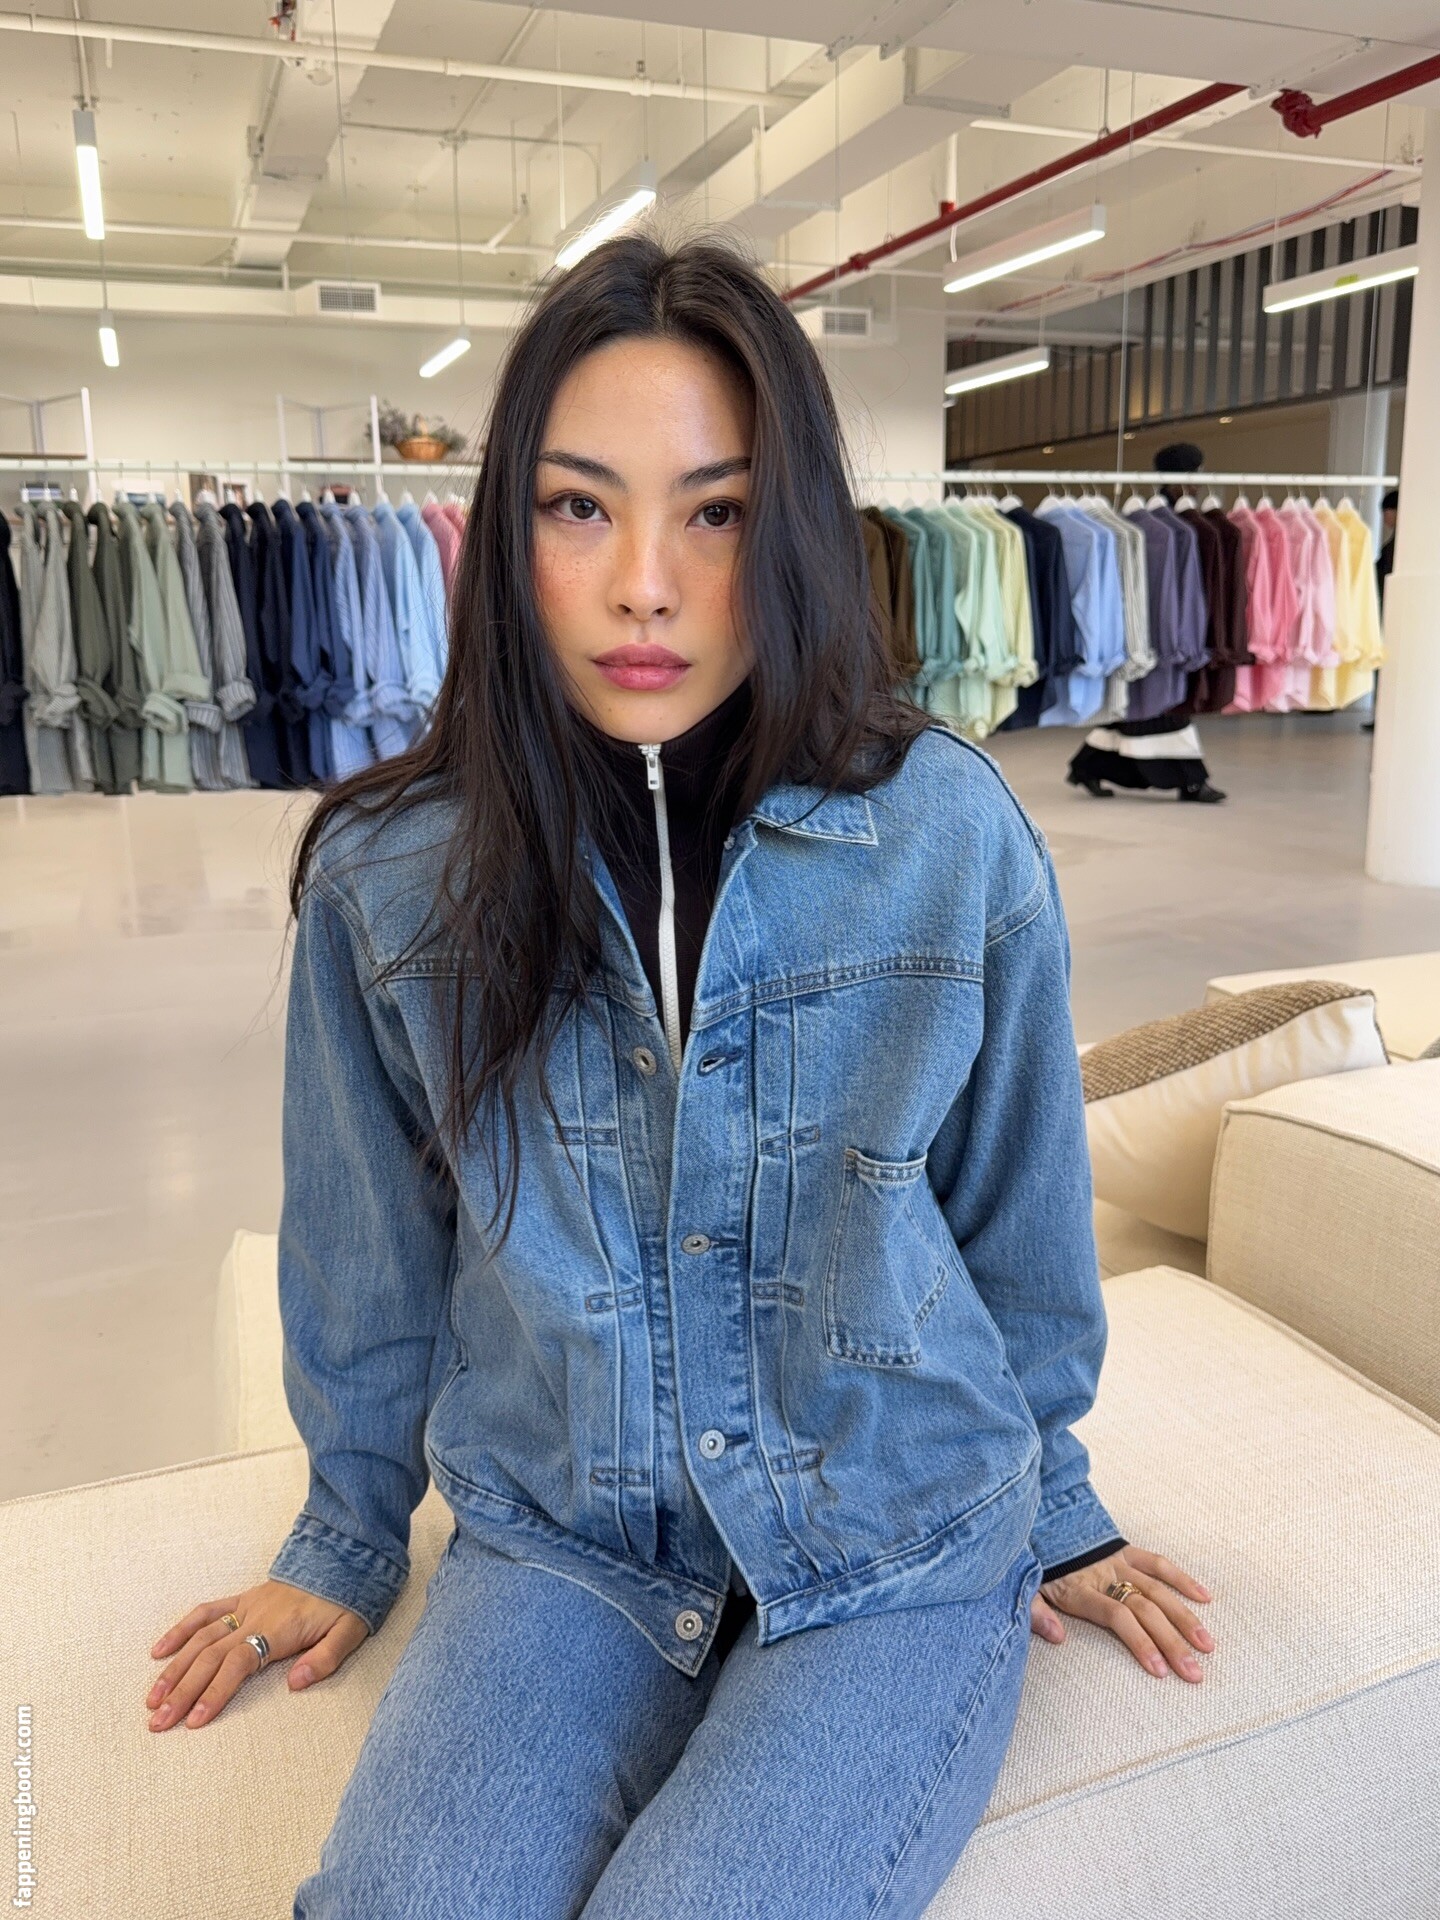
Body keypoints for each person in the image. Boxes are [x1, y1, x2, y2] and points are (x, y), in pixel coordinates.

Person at [141, 235, 1216, 1920]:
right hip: (564, 1535)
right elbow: (367, 1244)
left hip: (896, 1537)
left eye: (716, 513)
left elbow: (1019, 1211)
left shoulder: (944, 834)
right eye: (580, 507)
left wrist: (1060, 1498)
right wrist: (347, 1531)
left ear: (790, 533)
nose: (645, 584)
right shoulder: (387, 874)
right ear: (509, 531)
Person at [1066, 440, 1228, 804]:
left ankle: (1087, 767)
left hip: (1153, 625)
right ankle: (1192, 781)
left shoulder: (1177, 521)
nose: (1198, 482)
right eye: (1194, 474)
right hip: (1158, 627)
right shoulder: (1169, 526)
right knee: (1163, 707)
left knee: (1139, 708)